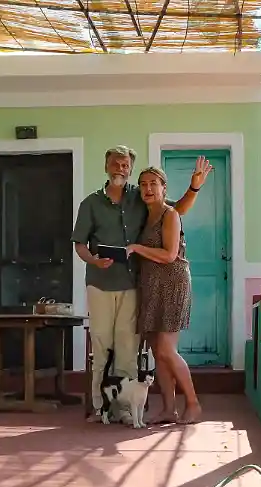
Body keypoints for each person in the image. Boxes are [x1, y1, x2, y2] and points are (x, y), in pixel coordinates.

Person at [71, 145, 211, 423]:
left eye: (125, 165)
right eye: (115, 163)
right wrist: (95, 260)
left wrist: (194, 187)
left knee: (146, 349)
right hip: (125, 284)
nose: (120, 169)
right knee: (127, 348)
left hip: (153, 285)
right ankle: (124, 408)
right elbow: (80, 243)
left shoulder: (152, 204)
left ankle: (163, 406)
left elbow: (177, 213)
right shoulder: (106, 204)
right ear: (106, 166)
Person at [127, 167, 205, 424]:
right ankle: (168, 409)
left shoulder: (170, 214)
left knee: (166, 349)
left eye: (153, 183)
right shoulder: (145, 215)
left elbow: (170, 255)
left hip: (173, 284)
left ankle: (193, 404)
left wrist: (136, 248)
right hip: (151, 286)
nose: (148, 189)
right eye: (143, 184)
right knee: (157, 351)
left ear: (163, 188)